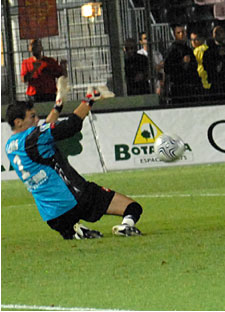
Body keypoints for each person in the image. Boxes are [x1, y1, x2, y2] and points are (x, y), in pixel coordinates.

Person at [4, 84, 143, 239]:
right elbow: (71, 126)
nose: (37, 119)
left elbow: (41, 131)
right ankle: (126, 225)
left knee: (71, 230)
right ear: (18, 122)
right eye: (32, 116)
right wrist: (89, 100)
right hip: (75, 198)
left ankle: (76, 231)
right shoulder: (33, 138)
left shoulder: (10, 146)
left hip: (53, 216)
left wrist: (58, 106)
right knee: (132, 207)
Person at [163, 24, 200, 104]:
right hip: (177, 88)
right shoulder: (171, 51)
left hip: (190, 88)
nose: (181, 35)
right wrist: (182, 63)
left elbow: (194, 67)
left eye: (183, 32)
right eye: (178, 33)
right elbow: (167, 69)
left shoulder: (189, 49)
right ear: (174, 35)